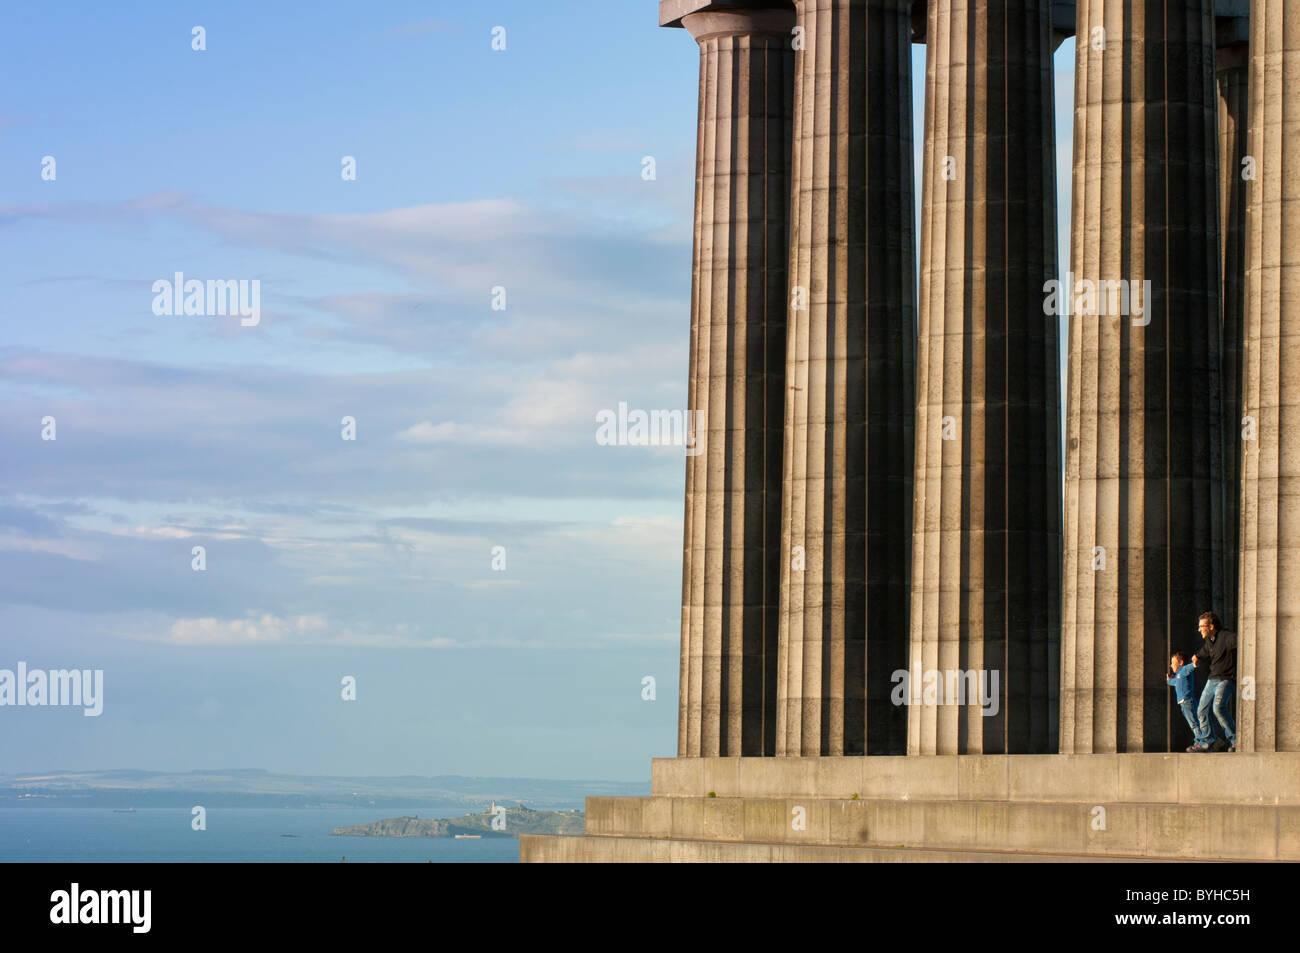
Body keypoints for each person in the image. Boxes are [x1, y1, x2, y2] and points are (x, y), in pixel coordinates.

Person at [1188, 611, 1237, 753]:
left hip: (1226, 679)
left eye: (1201, 626)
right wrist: (1196, 656)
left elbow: (1244, 642)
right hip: (1212, 679)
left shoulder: (1227, 637)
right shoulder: (1209, 641)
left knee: (1218, 708)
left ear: (1211, 626)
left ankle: (1235, 741)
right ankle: (1207, 741)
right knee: (1201, 710)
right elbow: (1205, 651)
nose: (1198, 630)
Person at [1166, 651, 1206, 751]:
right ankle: (1201, 740)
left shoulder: (1183, 670)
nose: (1171, 665)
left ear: (1181, 662)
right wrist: (1168, 680)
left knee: (1194, 723)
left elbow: (1191, 667)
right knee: (1192, 722)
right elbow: (1173, 682)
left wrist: (1194, 663)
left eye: (1173, 663)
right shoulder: (1178, 676)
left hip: (1187, 701)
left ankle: (1200, 742)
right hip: (1183, 704)